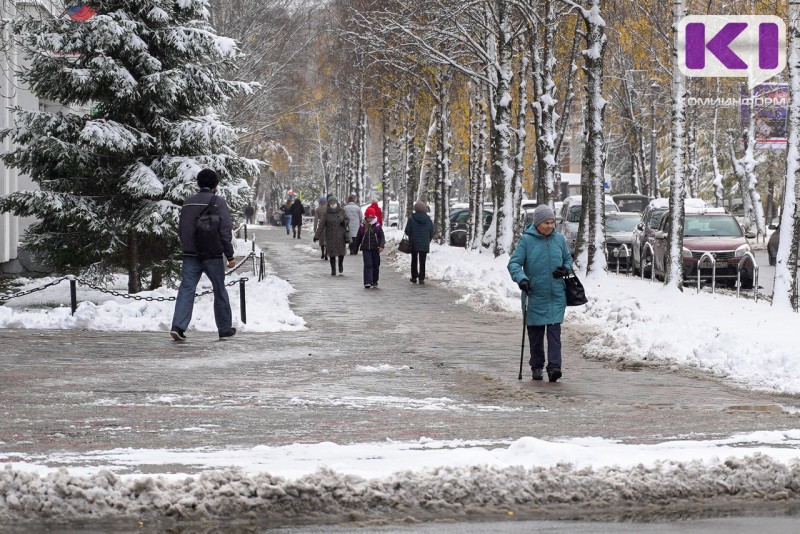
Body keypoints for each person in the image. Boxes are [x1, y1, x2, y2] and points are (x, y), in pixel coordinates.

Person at [507, 204, 572, 382]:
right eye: (547, 223)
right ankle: (536, 366)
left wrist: (565, 269)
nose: (551, 226)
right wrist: (522, 279)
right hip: (534, 294)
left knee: (554, 333)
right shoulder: (526, 241)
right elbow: (513, 264)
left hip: (556, 294)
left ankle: (554, 367)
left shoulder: (559, 239)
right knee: (535, 335)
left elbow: (568, 258)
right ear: (538, 223)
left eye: (552, 222)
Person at [170, 168, 237, 341]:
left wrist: (187, 248)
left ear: (198, 183)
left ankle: (178, 326)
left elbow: (183, 228)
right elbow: (225, 230)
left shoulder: (188, 202)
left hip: (191, 254)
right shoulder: (218, 202)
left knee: (186, 289)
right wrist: (229, 255)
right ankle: (224, 328)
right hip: (213, 254)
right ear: (215, 185)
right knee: (219, 289)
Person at [314, 196, 350, 276]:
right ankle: (333, 269)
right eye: (331, 203)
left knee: (341, 252)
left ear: (337, 203)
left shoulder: (342, 211)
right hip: (330, 236)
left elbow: (348, 220)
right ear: (328, 204)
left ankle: (340, 264)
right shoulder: (326, 213)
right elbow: (321, 225)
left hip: (341, 235)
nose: (333, 204)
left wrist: (343, 220)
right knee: (332, 254)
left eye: (334, 203)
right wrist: (317, 236)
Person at [404, 201, 434, 285]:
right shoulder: (428, 220)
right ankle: (421, 278)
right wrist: (428, 239)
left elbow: (407, 231)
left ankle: (414, 277)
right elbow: (432, 232)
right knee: (422, 261)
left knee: (414, 260)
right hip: (424, 243)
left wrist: (412, 236)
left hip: (414, 243)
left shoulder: (412, 219)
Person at [355, 207, 385, 288]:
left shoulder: (377, 225)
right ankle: (367, 282)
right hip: (366, 248)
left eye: (371, 217)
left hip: (375, 248)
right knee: (368, 265)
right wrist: (355, 247)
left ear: (374, 217)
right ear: (366, 216)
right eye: (368, 217)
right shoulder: (363, 225)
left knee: (375, 265)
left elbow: (381, 236)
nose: (370, 219)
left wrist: (381, 245)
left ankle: (374, 280)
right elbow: (359, 237)